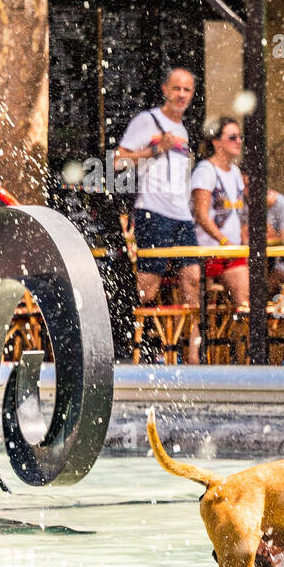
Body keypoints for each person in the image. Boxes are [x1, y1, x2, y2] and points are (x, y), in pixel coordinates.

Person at [115, 67, 202, 362]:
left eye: (187, 90)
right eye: (176, 88)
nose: (181, 95)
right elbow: (118, 161)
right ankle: (132, 345)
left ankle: (193, 355)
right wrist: (153, 150)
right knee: (148, 289)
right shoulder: (146, 121)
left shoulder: (183, 129)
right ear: (165, 89)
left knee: (192, 281)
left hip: (182, 216)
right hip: (153, 212)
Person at [191, 117, 249, 309]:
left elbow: (240, 215)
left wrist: (243, 241)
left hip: (231, 251)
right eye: (232, 137)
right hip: (209, 251)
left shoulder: (235, 172)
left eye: (240, 137)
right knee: (202, 308)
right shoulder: (205, 171)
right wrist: (225, 242)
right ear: (216, 142)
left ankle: (241, 336)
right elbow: (201, 215)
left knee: (245, 302)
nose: (239, 141)